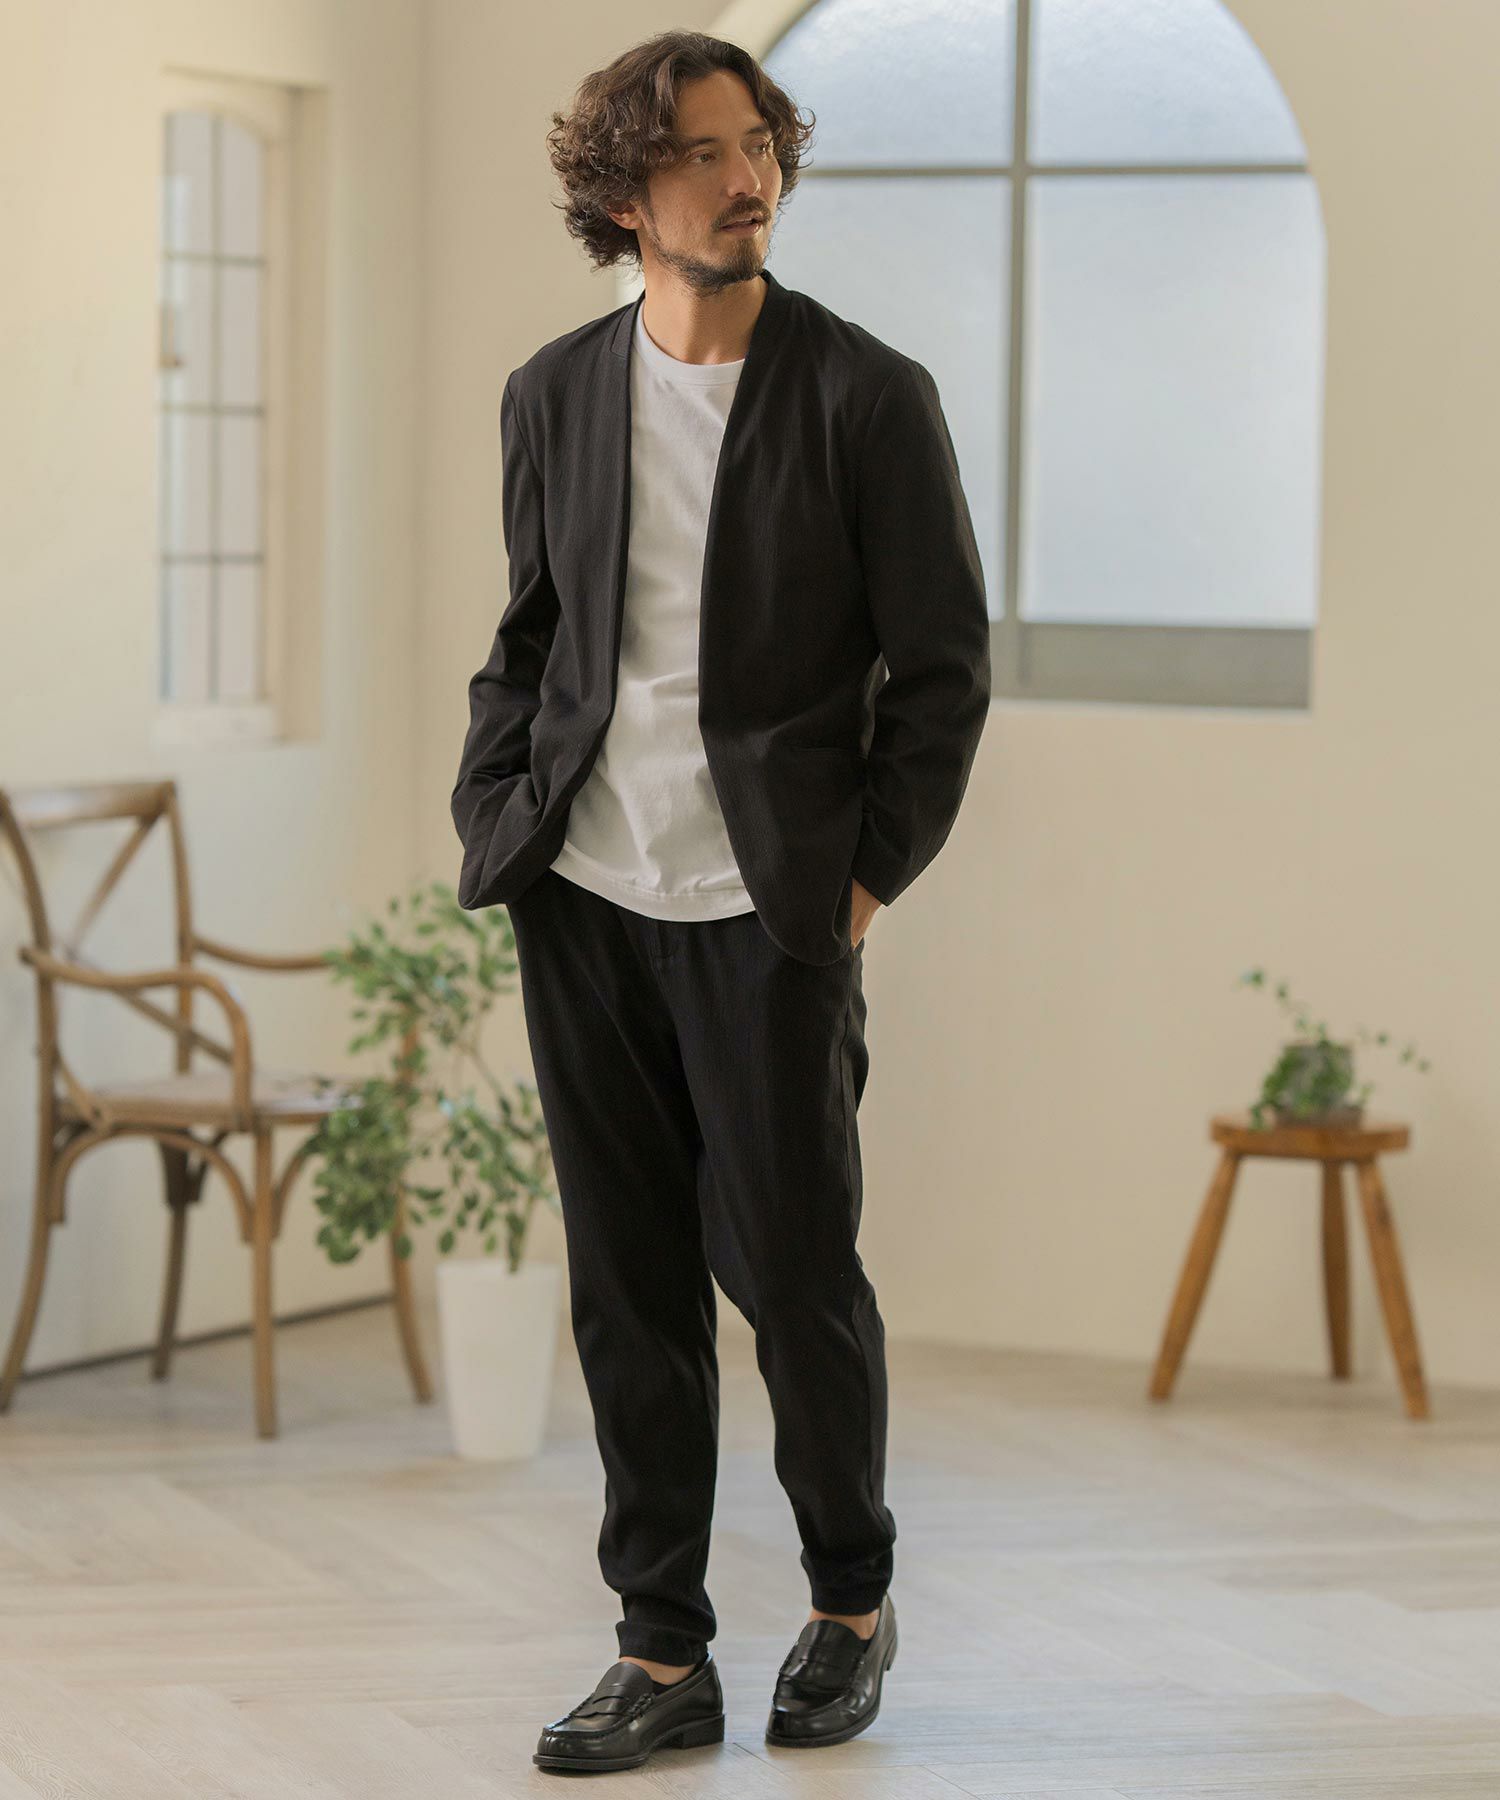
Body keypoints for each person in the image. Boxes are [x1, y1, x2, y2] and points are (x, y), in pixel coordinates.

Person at [450, 28, 991, 1776]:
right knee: (627, 1287)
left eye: (757, 143)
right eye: (699, 151)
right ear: (625, 192)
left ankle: (849, 1605)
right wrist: (497, 810)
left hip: (769, 910)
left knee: (794, 1273)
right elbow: (531, 639)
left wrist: (858, 883)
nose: (743, 176)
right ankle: (659, 1649)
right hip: (585, 897)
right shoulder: (554, 392)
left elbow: (945, 675)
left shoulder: (866, 397)